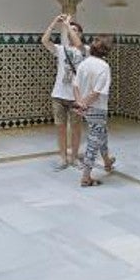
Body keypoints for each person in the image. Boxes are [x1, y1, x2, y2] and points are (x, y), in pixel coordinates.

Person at [41, 13, 86, 169]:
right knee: (60, 128)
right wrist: (54, 23)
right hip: (58, 95)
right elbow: (45, 41)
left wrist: (68, 25)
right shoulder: (61, 50)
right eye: (70, 30)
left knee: (76, 129)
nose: (72, 32)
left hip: (76, 98)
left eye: (76, 30)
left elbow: (78, 44)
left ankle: (74, 157)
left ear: (80, 34)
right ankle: (63, 158)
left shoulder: (84, 50)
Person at [73, 36, 116, 187]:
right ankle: (86, 177)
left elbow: (76, 86)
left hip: (85, 107)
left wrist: (80, 103)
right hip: (97, 107)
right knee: (93, 141)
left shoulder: (84, 64)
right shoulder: (104, 67)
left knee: (101, 134)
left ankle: (107, 162)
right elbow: (97, 92)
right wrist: (84, 104)